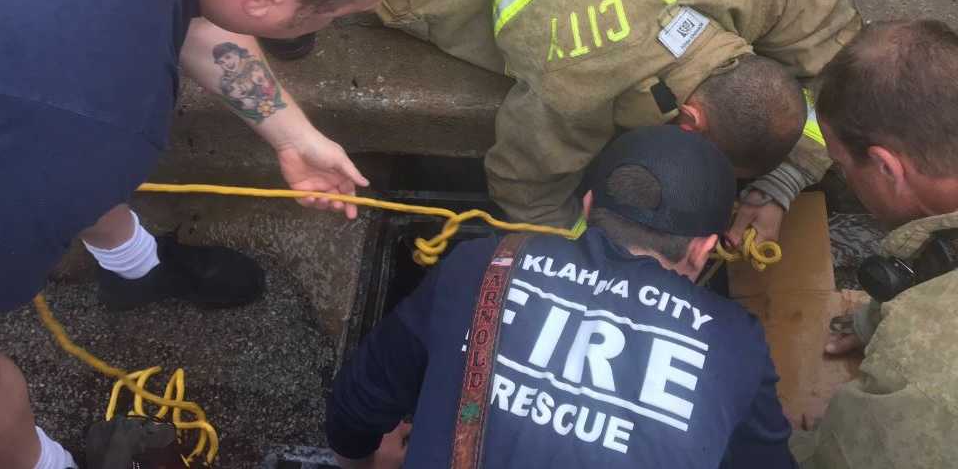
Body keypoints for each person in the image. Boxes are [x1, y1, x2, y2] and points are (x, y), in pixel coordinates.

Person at [0, 0, 426, 467]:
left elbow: (191, 8)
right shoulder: (89, 113)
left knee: (71, 171)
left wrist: (291, 134)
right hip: (34, 114)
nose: (330, 26)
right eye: (337, 15)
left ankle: (134, 270)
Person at [379, 0, 861, 244]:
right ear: (689, 121)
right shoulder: (580, 74)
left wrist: (781, 181)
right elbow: (527, 187)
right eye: (706, 160)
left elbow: (841, 53)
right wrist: (594, 258)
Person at [327, 126, 796, 468]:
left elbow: (356, 404)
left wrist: (363, 463)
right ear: (704, 249)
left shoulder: (484, 264)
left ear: (588, 207)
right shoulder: (735, 342)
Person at [790, 20, 958, 468]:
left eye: (843, 166)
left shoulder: (921, 377)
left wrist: (838, 433)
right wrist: (874, 319)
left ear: (886, 166)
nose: (845, 178)